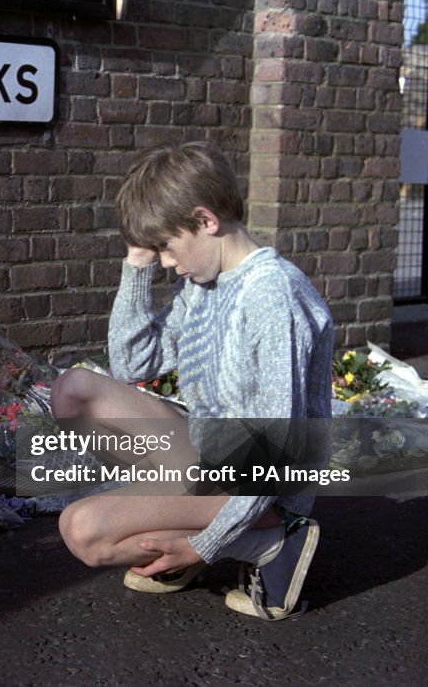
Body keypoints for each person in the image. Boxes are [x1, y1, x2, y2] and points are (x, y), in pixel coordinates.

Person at [52, 141, 334, 619]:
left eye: (165, 245)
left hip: (266, 479)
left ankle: (268, 539)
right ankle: (192, 520)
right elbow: (133, 362)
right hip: (214, 457)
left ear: (205, 221)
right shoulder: (203, 283)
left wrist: (204, 546)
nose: (164, 260)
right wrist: (136, 261)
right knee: (74, 391)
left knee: (83, 531)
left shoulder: (273, 298)